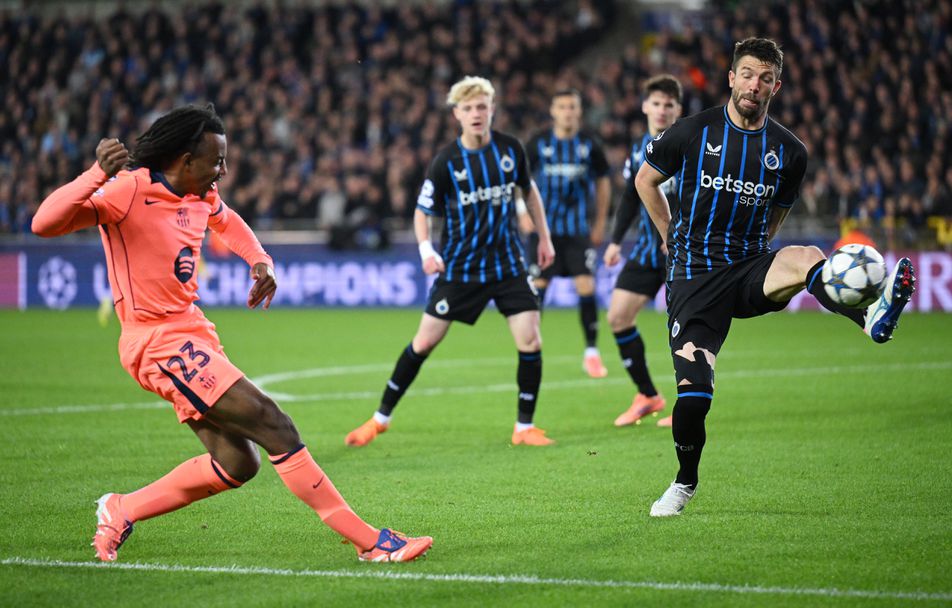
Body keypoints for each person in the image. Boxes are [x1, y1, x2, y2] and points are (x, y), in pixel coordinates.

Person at [31, 104, 432, 562]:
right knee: (273, 422)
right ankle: (370, 541)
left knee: (238, 463)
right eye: (216, 160)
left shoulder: (201, 193)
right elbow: (43, 224)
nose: (222, 170)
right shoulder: (128, 191)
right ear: (185, 160)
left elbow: (228, 220)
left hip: (192, 331)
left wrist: (260, 261)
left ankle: (122, 508)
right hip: (156, 341)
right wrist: (95, 174)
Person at [634, 39, 916, 517]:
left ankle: (870, 315)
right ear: (732, 78)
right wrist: (668, 236)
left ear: (776, 86)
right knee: (695, 399)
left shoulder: (789, 151)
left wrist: (756, 251)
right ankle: (684, 482)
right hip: (694, 279)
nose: (754, 85)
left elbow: (777, 215)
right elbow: (645, 180)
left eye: (765, 78)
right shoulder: (693, 131)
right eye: (747, 75)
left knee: (806, 256)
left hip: (747, 268)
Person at [345, 76, 557, 448]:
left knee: (530, 339)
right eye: (468, 108)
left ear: (492, 109)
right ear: (457, 114)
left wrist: (544, 237)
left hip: (507, 264)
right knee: (424, 342)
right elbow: (422, 211)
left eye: (482, 107)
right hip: (461, 269)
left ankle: (524, 427)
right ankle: (380, 419)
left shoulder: (510, 149)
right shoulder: (446, 162)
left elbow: (530, 191)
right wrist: (427, 251)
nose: (476, 114)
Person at [603, 75, 683, 429]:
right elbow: (628, 198)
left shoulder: (689, 146)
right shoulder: (639, 149)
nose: (662, 109)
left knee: (686, 328)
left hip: (682, 252)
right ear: (645, 106)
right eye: (657, 103)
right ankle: (648, 395)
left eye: (669, 104)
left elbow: (699, 196)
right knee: (618, 317)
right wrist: (615, 241)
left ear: (678, 109)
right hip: (647, 252)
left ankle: (689, 404)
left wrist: (676, 233)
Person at [522, 89, 612, 378]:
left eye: (572, 107)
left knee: (586, 286)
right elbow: (518, 177)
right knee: (538, 288)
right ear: (553, 111)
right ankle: (531, 348)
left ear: (579, 111)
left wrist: (600, 222)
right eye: (562, 107)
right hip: (543, 232)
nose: (567, 112)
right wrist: (522, 212)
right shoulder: (538, 143)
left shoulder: (589, 144)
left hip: (577, 231)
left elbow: (603, 182)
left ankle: (591, 353)